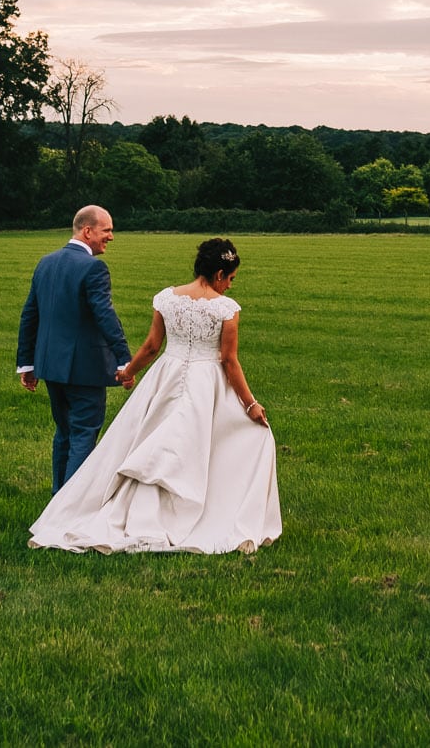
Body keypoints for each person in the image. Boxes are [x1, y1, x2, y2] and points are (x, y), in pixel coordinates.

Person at [29, 237, 281, 554]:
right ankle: (190, 510)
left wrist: (130, 371)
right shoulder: (225, 309)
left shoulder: (166, 298)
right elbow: (229, 362)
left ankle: (135, 505)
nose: (230, 286)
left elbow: (151, 347)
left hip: (166, 375)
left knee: (150, 439)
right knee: (209, 442)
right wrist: (250, 404)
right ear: (219, 275)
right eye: (230, 279)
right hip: (206, 382)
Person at [16, 205, 132, 491]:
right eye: (107, 230)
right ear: (87, 230)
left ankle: (58, 498)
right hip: (84, 369)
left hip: (50, 367)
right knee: (83, 434)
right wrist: (124, 360)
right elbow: (105, 315)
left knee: (65, 433)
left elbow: (30, 314)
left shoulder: (46, 262)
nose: (111, 237)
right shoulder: (93, 267)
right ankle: (71, 506)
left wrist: (27, 364)